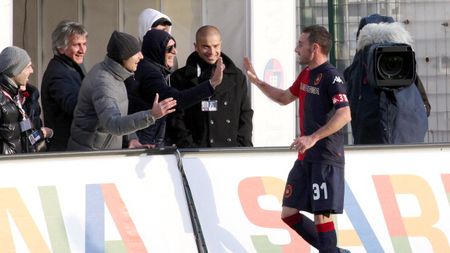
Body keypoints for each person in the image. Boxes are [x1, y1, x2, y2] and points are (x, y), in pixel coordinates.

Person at [244, 25, 351, 253]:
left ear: (314, 48)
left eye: (300, 44)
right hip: (306, 157)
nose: (295, 49)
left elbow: (345, 113)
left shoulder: (332, 77)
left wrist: (313, 137)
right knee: (288, 213)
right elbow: (284, 98)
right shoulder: (306, 74)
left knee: (321, 217)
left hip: (325, 157)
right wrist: (257, 82)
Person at [67, 31, 177, 151]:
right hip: (90, 158)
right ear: (124, 56)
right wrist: (151, 115)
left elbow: (120, 115)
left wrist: (131, 139)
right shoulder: (104, 83)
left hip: (101, 155)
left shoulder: (116, 75)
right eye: (136, 53)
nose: (141, 56)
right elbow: (113, 124)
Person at [126, 29, 224, 147]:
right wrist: (211, 84)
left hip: (148, 140)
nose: (175, 52)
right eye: (169, 49)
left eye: (175, 46)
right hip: (144, 144)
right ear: (156, 49)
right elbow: (176, 100)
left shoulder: (153, 70)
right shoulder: (149, 74)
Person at [344, 14, 429, 144]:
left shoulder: (358, 69)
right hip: (408, 140)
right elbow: (425, 105)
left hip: (371, 142)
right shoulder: (404, 65)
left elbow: (349, 104)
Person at [166, 25, 253, 148]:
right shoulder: (180, 78)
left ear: (221, 44)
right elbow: (176, 118)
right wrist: (189, 148)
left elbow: (245, 115)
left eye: (216, 46)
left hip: (231, 153)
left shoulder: (237, 76)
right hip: (196, 155)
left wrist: (242, 148)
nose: (212, 52)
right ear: (196, 47)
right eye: (206, 47)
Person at [41, 20, 88, 151]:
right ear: (61, 48)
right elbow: (74, 106)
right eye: (76, 45)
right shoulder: (58, 73)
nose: (82, 50)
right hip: (65, 150)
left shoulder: (73, 66)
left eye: (84, 44)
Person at [0, 46, 53, 154]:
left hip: (24, 164)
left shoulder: (23, 97)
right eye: (28, 67)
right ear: (15, 70)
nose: (32, 71)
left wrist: (41, 134)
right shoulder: (3, 99)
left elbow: (28, 138)